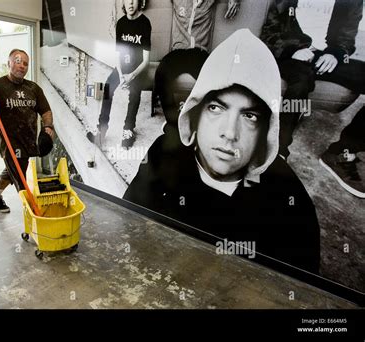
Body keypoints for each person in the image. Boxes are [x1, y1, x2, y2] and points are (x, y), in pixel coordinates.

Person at [124, 29, 320, 273]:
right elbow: (126, 232)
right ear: (196, 113)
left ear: (266, 129)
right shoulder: (162, 157)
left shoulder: (290, 206)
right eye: (216, 108)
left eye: (249, 116)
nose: (229, 132)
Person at [260, 0, 364, 197]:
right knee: (300, 82)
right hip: (292, 53)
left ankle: (341, 152)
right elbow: (271, 28)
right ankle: (278, 152)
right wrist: (292, 51)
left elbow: (345, 39)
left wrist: (336, 53)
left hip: (326, 57)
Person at [0, 49, 55, 213]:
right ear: (8, 63)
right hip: (10, 142)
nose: (22, 65)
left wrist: (48, 127)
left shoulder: (34, 88)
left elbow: (46, 111)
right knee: (20, 177)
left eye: (25, 63)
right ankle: (33, 212)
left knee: (11, 170)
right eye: (18, 61)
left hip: (29, 141)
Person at [153, 0, 240, 134]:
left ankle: (199, 122)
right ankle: (173, 123)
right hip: (178, 52)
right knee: (161, 73)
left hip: (199, 53)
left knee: (215, 81)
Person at [86, 0, 152, 149]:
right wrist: (121, 74)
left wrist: (132, 76)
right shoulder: (121, 23)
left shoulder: (145, 23)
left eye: (134, 0)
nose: (130, 3)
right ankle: (101, 131)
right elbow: (117, 54)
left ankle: (128, 130)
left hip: (138, 69)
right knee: (108, 88)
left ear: (140, 3)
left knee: (135, 94)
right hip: (122, 68)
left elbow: (146, 61)